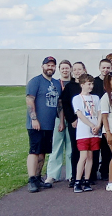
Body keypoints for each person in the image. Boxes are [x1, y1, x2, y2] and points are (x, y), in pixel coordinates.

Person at [25, 56, 62, 193]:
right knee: (34, 151)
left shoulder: (56, 84)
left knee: (43, 153)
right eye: (48, 65)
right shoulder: (35, 81)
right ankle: (32, 179)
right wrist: (34, 119)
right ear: (43, 66)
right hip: (36, 124)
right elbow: (30, 100)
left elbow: (59, 104)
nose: (50, 68)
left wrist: (61, 121)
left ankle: (38, 177)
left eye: (52, 65)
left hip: (49, 124)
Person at [45, 59, 72, 185]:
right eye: (63, 68)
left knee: (71, 148)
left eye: (67, 68)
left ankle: (71, 174)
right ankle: (52, 175)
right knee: (56, 147)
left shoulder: (74, 83)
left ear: (70, 69)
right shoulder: (55, 83)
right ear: (59, 70)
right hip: (58, 118)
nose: (65, 70)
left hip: (72, 119)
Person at [72, 73, 100, 193]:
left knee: (90, 156)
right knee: (83, 156)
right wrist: (91, 125)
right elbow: (80, 115)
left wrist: (98, 125)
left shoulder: (96, 98)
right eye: (89, 84)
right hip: (83, 131)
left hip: (94, 131)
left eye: (92, 83)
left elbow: (99, 112)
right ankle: (78, 180)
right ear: (82, 84)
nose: (91, 86)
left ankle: (87, 180)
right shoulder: (77, 98)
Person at [60, 61, 85, 188]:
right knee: (76, 149)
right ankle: (75, 176)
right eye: (74, 69)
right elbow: (66, 105)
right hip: (75, 123)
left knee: (89, 150)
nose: (77, 71)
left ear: (84, 70)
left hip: (88, 122)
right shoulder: (69, 87)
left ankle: (88, 176)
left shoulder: (88, 85)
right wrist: (72, 120)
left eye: (79, 69)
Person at [91, 58, 112, 182]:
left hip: (109, 118)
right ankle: (93, 173)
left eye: (108, 68)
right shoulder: (94, 82)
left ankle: (105, 171)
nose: (105, 70)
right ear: (99, 68)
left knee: (107, 147)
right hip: (95, 117)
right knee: (95, 147)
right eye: (103, 67)